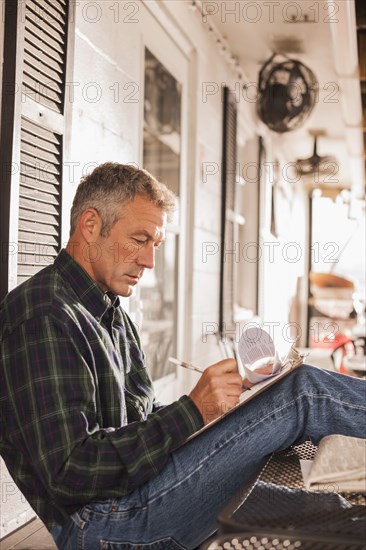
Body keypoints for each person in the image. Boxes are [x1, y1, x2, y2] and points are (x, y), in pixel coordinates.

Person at [0, 162, 365, 550]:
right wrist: (191, 411)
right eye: (139, 240)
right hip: (105, 525)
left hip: (139, 493)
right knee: (303, 393)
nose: (149, 262)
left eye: (155, 245)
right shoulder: (42, 314)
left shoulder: (108, 312)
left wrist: (224, 408)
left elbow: (138, 422)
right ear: (90, 226)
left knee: (327, 498)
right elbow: (70, 472)